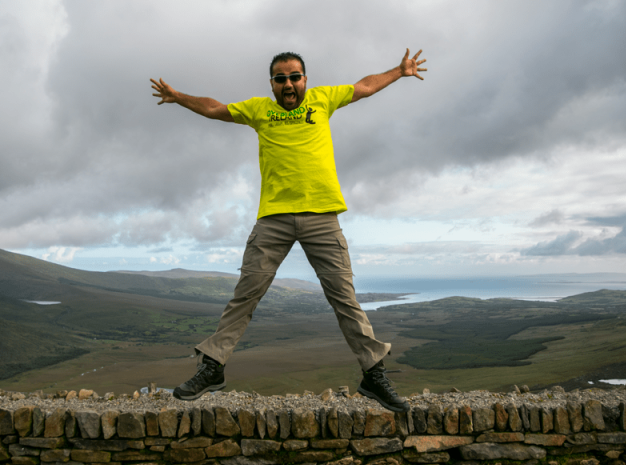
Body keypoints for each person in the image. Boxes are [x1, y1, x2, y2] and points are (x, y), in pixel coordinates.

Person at [151, 49, 426, 412]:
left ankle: (373, 375)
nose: (289, 83)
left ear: (305, 80)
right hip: (274, 218)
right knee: (246, 294)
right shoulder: (259, 110)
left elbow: (363, 87)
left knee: (344, 297)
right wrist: (178, 97)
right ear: (272, 85)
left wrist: (400, 71)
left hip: (322, 215)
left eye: (295, 76)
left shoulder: (323, 99)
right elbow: (216, 109)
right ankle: (212, 368)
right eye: (281, 79)